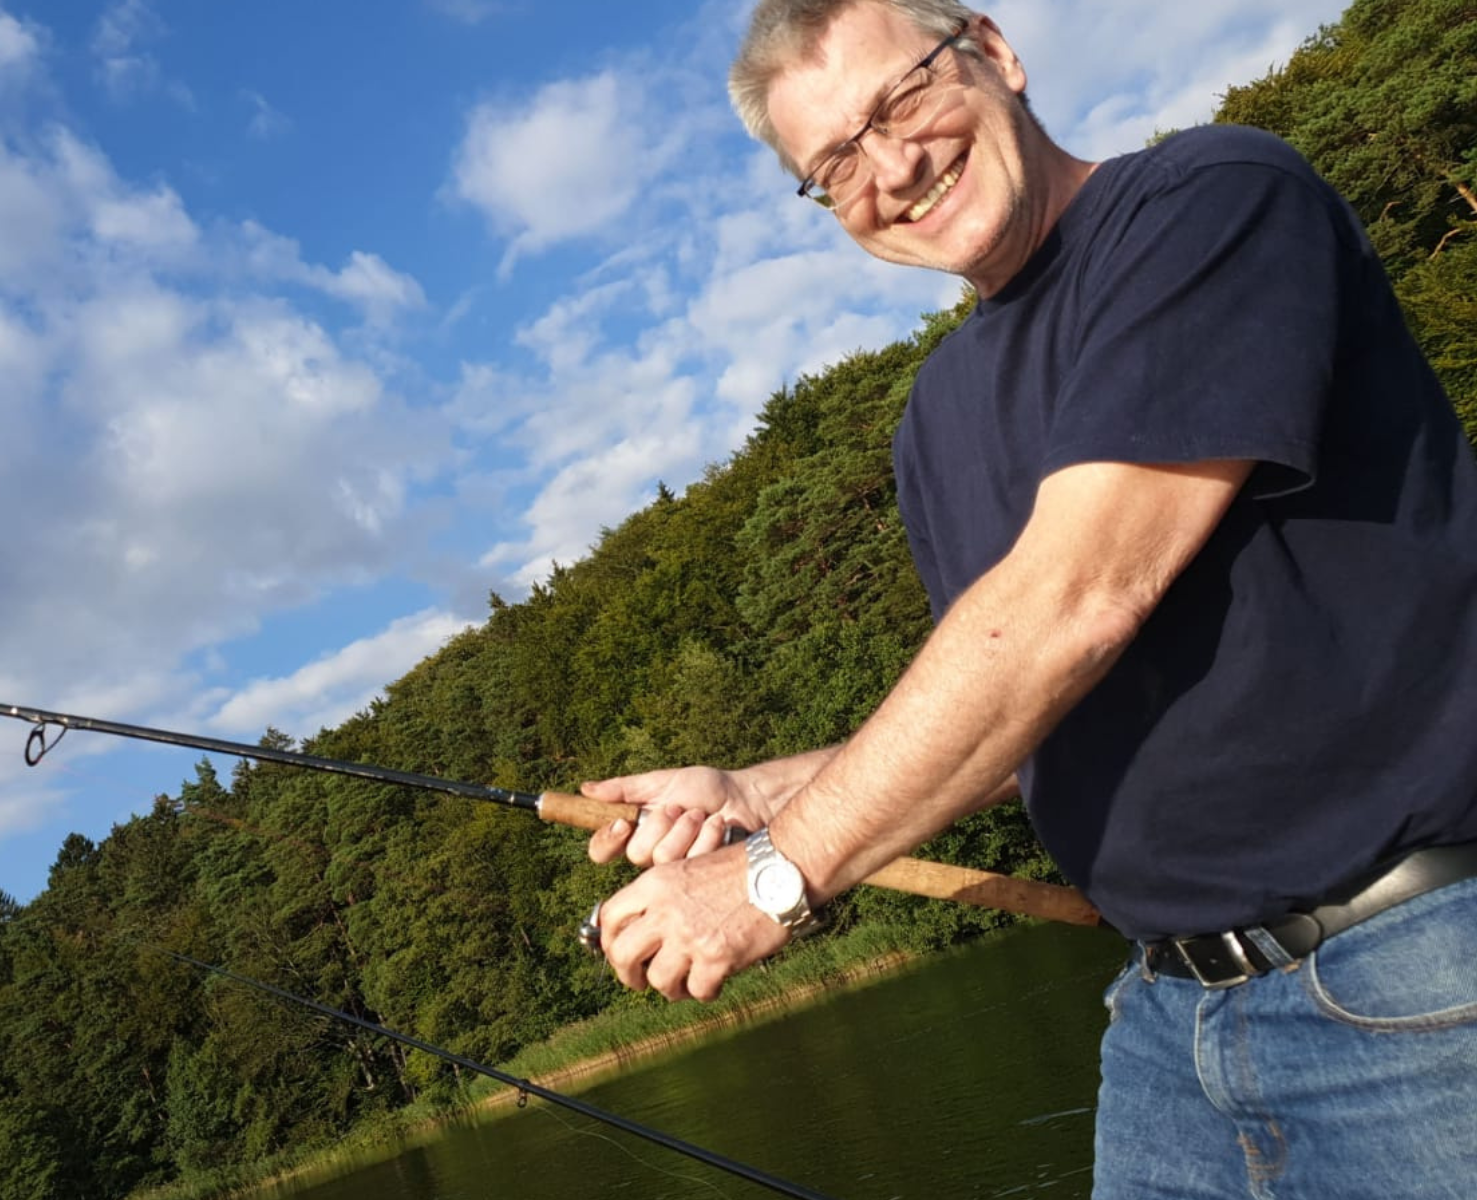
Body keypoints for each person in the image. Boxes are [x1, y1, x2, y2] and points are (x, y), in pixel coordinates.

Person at [583, 1, 1477, 1195]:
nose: (891, 168)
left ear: (994, 52)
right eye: (834, 164)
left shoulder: (1209, 200)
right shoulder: (934, 419)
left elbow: (1077, 598)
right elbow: (1025, 709)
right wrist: (753, 795)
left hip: (1418, 974)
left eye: (898, 102)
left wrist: (771, 878)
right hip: (1171, 1027)